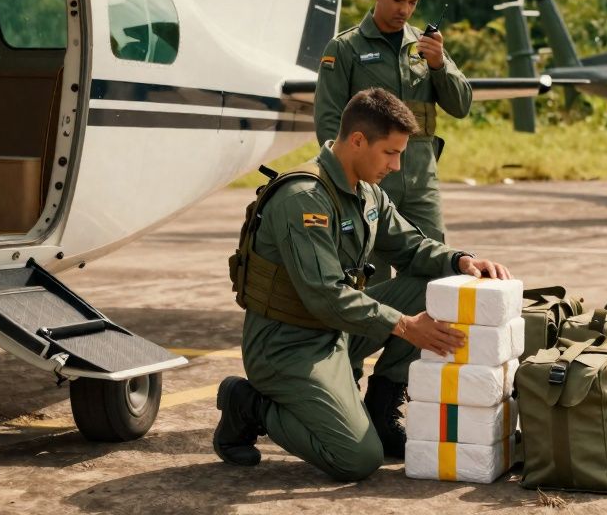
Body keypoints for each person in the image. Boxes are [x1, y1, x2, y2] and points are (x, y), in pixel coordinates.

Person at [216, 88, 511, 481]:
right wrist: (407, 327)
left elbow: (410, 246)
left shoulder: (367, 192)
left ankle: (381, 407)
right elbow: (325, 295)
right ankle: (248, 403)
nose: (397, 164)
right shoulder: (304, 198)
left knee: (439, 283)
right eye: (390, 152)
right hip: (288, 343)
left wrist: (461, 260)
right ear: (357, 140)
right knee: (357, 458)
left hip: (337, 328)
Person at [313, 0, 471, 283]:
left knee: (436, 267)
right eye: (398, 0)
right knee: (370, 272)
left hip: (419, 179)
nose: (405, 10)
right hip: (369, 179)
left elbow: (461, 105)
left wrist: (440, 65)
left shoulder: (426, 46)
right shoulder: (345, 48)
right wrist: (345, 181)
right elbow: (329, 119)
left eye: (413, 3)